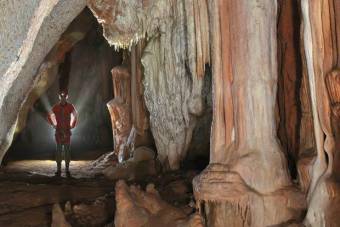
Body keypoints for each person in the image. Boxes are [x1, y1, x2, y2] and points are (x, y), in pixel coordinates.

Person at [47, 91, 78, 177]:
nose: (63, 98)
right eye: (62, 97)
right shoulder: (56, 107)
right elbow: (49, 115)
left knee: (67, 151)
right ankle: (59, 169)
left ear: (66, 97)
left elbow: (75, 115)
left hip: (67, 132)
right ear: (59, 97)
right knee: (59, 151)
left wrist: (72, 125)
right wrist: (53, 124)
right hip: (59, 132)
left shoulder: (70, 107)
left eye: (64, 97)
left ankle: (67, 169)